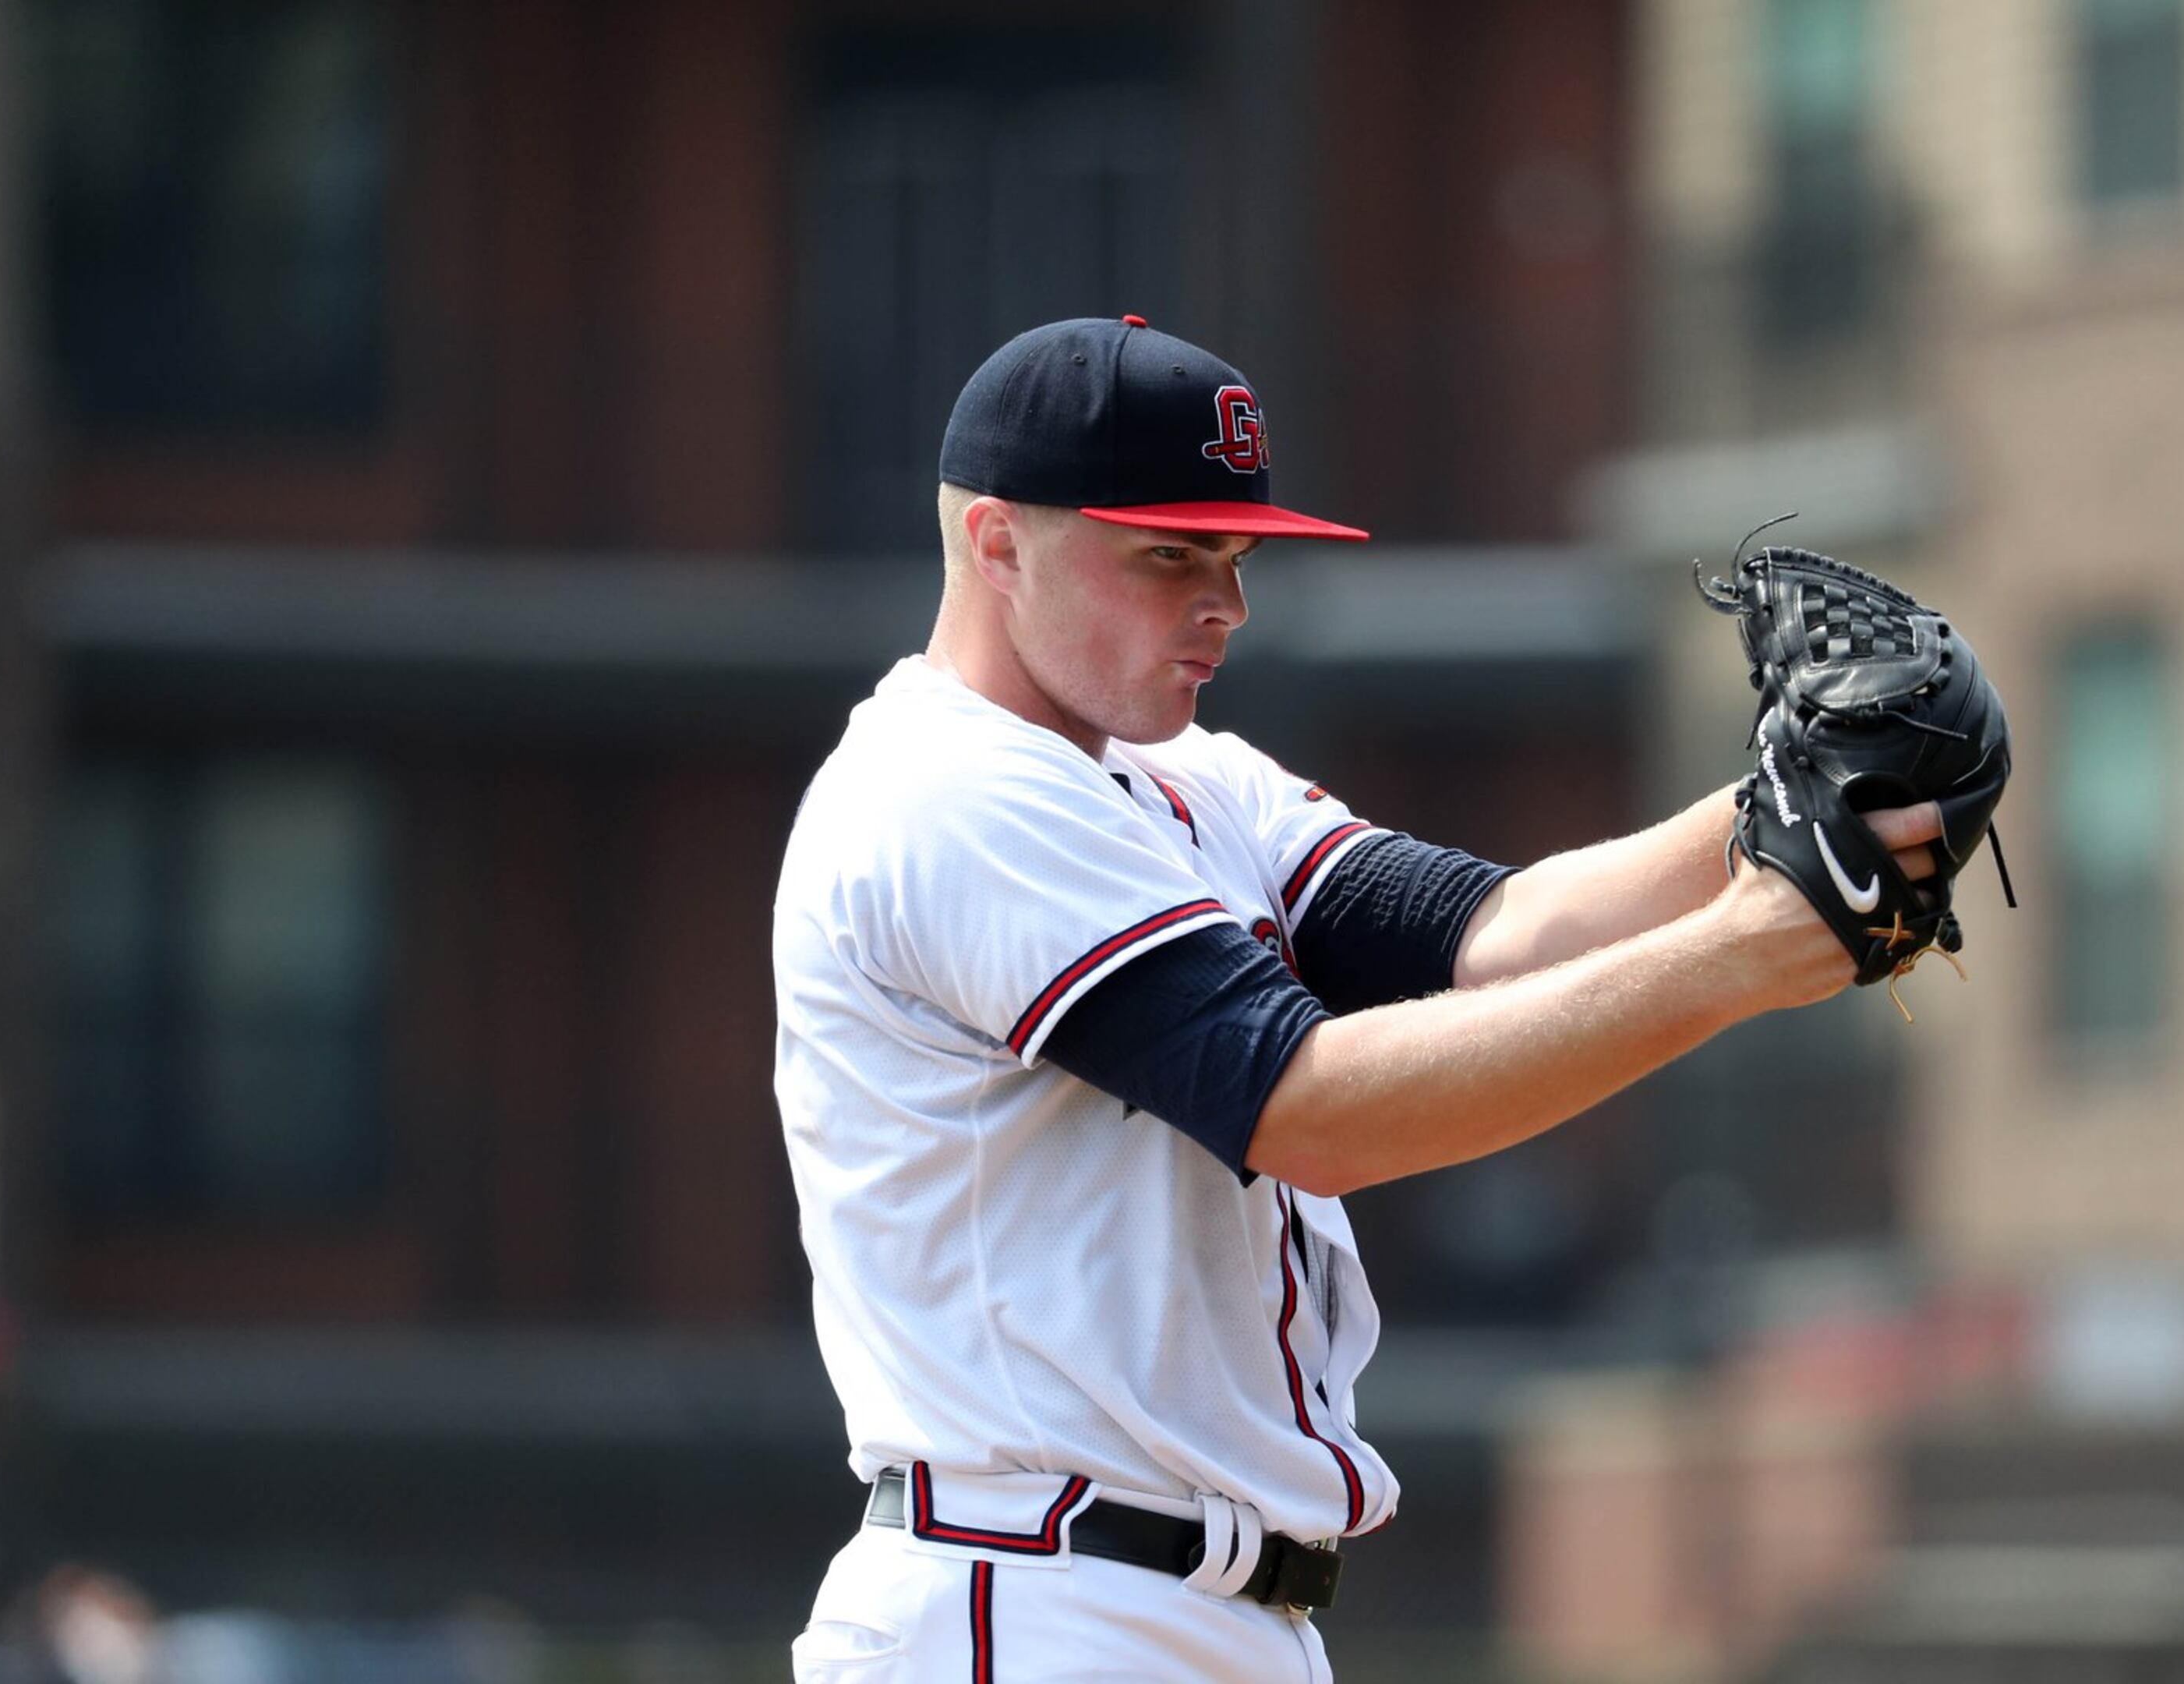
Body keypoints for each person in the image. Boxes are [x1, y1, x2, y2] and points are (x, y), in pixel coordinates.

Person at [772, 317, 1942, 1682]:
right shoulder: (948, 792)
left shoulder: (1188, 776)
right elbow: (1307, 1110)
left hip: (1182, 1609)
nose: (1225, 601)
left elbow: (1490, 931)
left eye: (1235, 553)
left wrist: (1779, 809)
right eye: (1169, 553)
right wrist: (1744, 950)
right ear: (995, 543)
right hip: (1032, 1601)